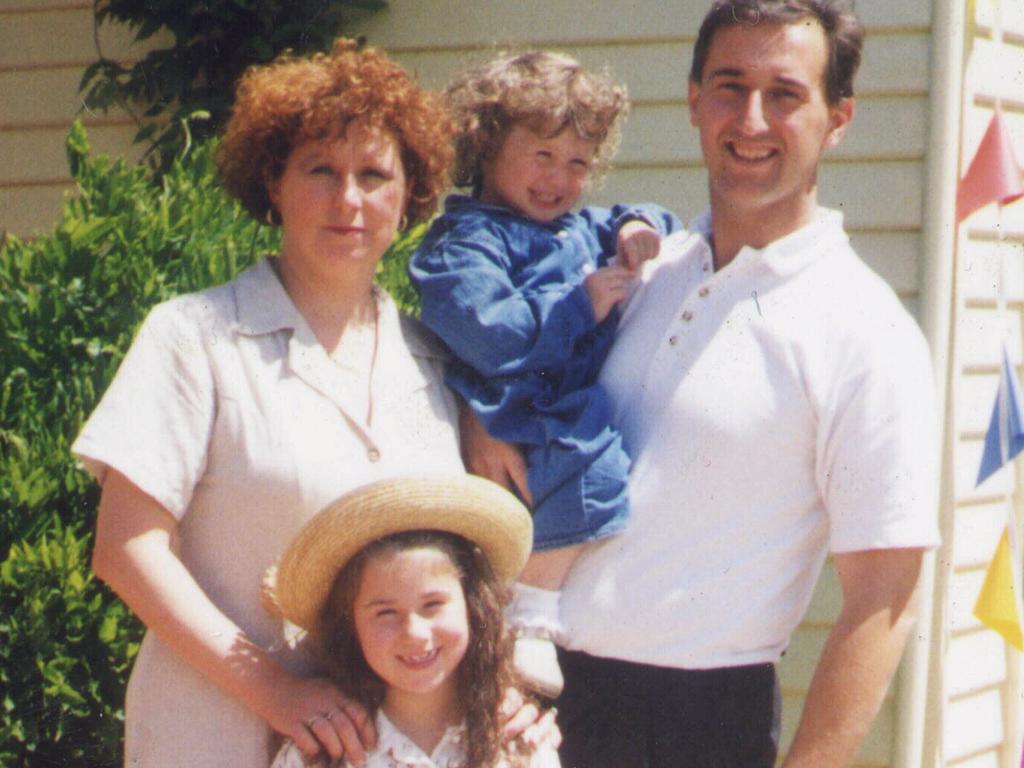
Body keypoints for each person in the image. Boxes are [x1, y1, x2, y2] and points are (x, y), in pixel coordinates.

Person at [464, 2, 941, 766]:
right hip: (529, 699)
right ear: (693, 100)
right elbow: (533, 383)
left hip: (695, 726)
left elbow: (885, 597)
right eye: (729, 86)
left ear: (837, 118)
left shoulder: (866, 331)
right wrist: (484, 418)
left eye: (784, 94)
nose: (751, 119)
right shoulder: (640, 273)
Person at [74, 39, 552, 768]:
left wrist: (501, 688)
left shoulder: (436, 359)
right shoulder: (194, 336)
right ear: (273, 181)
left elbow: (464, 572)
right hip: (211, 729)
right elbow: (126, 548)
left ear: (410, 193)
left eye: (374, 174)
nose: (348, 200)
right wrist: (271, 689)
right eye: (320, 170)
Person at [408, 51, 681, 698]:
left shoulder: (574, 229)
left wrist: (638, 227)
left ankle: (523, 609)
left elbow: (655, 221)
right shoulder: (467, 240)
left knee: (593, 465)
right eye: (542, 156)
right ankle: (527, 615)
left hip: (555, 403)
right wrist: (578, 305)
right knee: (586, 466)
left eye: (579, 163)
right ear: (486, 145)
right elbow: (490, 332)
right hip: (511, 401)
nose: (559, 179)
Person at [266, 474, 561, 768]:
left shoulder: (518, 742)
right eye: (386, 612)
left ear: (473, 606)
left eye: (432, 605)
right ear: (350, 625)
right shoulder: (320, 753)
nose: (415, 633)